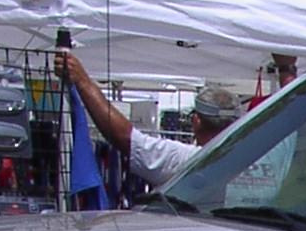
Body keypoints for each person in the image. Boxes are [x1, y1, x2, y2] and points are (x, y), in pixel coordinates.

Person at [57, 50, 240, 190]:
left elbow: (125, 138)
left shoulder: (188, 159)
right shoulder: (249, 161)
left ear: (196, 121)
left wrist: (83, 81)